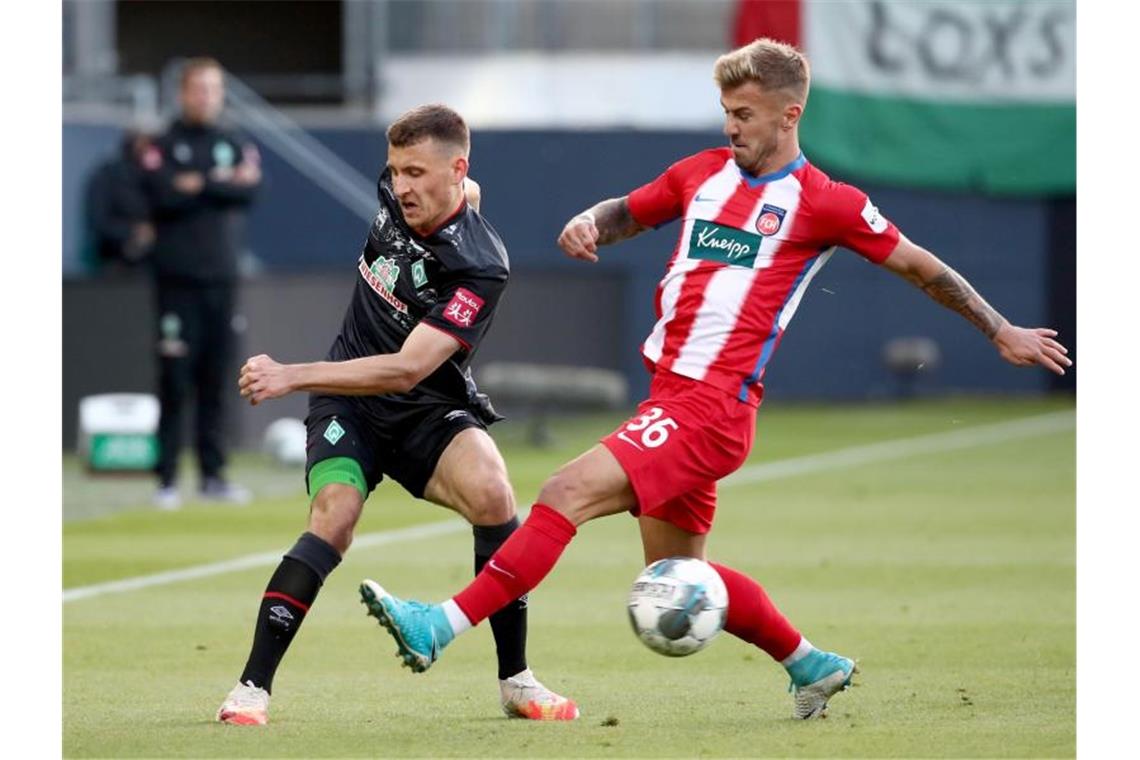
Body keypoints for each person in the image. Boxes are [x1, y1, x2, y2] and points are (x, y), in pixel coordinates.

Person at [359, 38, 1072, 720]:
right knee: (677, 575)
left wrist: (999, 328)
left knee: (562, 492)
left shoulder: (827, 203)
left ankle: (440, 625)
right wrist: (591, 223)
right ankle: (810, 663)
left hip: (710, 408)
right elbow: (631, 212)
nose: (731, 127)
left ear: (790, 115)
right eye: (726, 113)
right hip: (671, 396)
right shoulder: (701, 173)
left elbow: (920, 265)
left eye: (746, 116)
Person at [215, 104, 578, 725]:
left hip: (423, 406)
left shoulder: (482, 267)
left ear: (456, 170)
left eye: (416, 172)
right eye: (395, 170)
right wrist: (313, 382)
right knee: (334, 517)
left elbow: (408, 369)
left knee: (495, 494)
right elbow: (467, 192)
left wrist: (289, 375)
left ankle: (517, 681)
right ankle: (251, 689)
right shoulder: (398, 188)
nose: (400, 185)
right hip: (348, 402)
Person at [142, 57, 261, 510]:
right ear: (183, 93)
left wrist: (199, 184)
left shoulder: (232, 141)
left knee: (216, 379)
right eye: (198, 89)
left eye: (213, 89)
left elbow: (250, 189)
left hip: (222, 279)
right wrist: (217, 184)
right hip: (176, 281)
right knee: (174, 379)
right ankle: (167, 478)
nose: (206, 97)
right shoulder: (162, 142)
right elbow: (160, 191)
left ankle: (213, 475)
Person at [84, 129, 156, 275]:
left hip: (156, 266)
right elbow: (98, 221)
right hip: (115, 265)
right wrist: (134, 231)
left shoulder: (158, 177)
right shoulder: (107, 176)